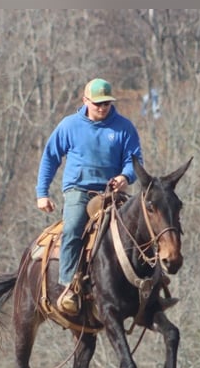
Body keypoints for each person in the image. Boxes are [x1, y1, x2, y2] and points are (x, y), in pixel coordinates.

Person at [36, 78, 143, 315]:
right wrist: (42, 193)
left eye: (106, 103)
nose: (103, 108)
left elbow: (134, 162)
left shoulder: (123, 128)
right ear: (85, 101)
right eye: (97, 104)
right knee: (73, 228)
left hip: (112, 193)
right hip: (80, 191)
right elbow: (50, 157)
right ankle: (68, 287)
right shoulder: (69, 126)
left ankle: (147, 286)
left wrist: (125, 177)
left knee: (142, 228)